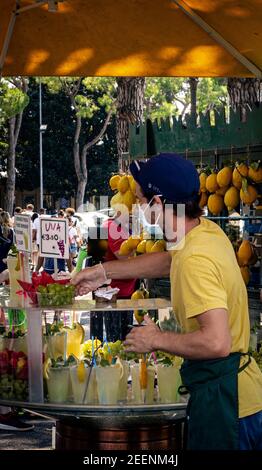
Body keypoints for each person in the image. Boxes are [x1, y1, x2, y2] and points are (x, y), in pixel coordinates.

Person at [72, 153, 262, 450]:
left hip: (226, 404)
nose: (135, 207)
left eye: (139, 199)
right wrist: (102, 271)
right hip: (241, 394)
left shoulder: (194, 260)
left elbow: (216, 342)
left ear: (158, 204)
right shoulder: (205, 231)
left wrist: (156, 338)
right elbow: (168, 261)